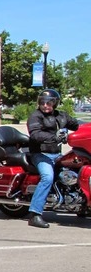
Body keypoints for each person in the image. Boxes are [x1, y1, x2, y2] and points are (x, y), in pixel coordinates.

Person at [26, 89, 80, 228]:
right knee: (48, 177)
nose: (45, 105)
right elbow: (35, 134)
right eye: (43, 102)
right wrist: (54, 138)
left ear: (55, 103)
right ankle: (34, 214)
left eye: (49, 102)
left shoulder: (61, 116)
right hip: (40, 154)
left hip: (56, 154)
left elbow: (77, 124)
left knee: (77, 171)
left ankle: (80, 204)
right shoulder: (35, 116)